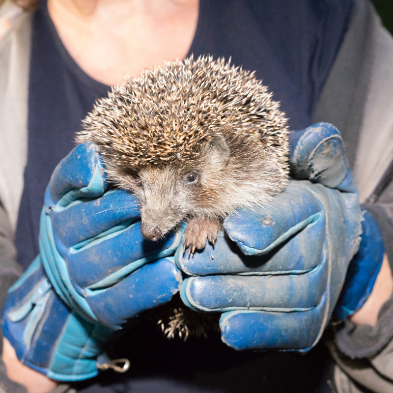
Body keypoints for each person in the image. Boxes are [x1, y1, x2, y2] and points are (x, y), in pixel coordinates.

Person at [0, 0, 393, 392]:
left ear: (222, 155)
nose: (151, 224)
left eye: (188, 178)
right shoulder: (8, 64)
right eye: (139, 182)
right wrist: (49, 322)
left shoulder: (323, 16)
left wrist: (363, 266)